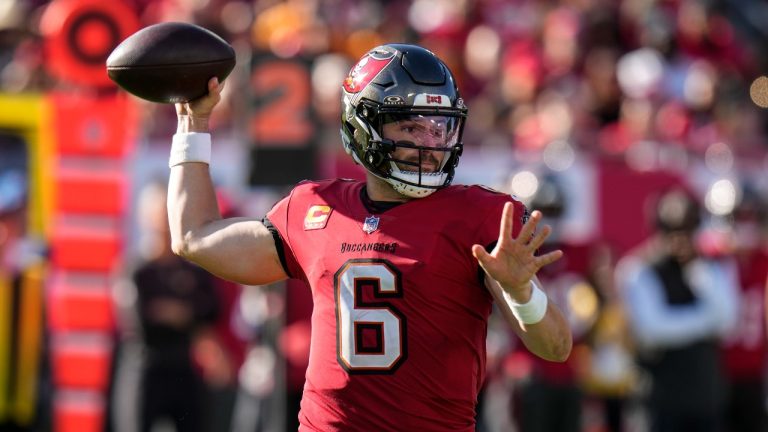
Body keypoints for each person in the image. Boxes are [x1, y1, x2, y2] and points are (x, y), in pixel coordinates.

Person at [167, 43, 572, 431]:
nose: (429, 145)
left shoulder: (479, 218)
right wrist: (193, 124)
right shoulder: (316, 208)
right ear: (363, 125)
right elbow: (194, 238)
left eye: (439, 127)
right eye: (411, 126)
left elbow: (555, 348)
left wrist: (521, 292)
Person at [615, 187, 738, 432]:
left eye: (687, 229)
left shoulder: (708, 267)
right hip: (659, 402)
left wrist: (695, 269)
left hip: (705, 400)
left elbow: (727, 321)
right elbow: (653, 330)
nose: (679, 239)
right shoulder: (638, 269)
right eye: (672, 230)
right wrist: (705, 323)